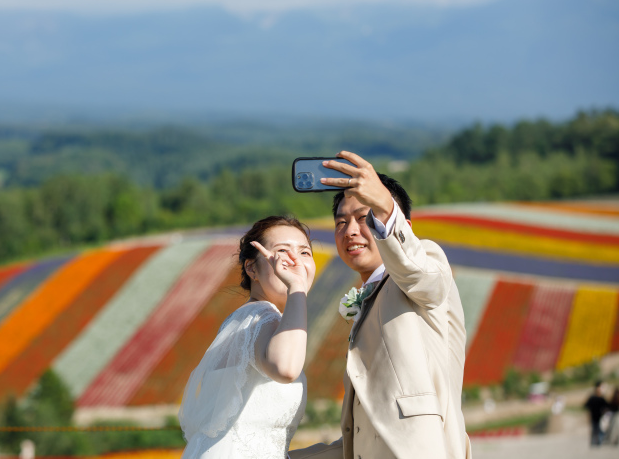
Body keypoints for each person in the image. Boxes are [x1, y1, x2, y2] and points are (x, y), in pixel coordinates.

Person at [290, 151, 471, 459]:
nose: (350, 231)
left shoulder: (424, 267)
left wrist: (385, 207)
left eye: (364, 218)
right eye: (341, 222)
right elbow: (364, 437)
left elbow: (425, 279)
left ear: (403, 226)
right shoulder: (368, 301)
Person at [179, 215, 316, 458]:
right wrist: (296, 288)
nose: (295, 261)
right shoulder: (262, 317)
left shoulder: (246, 318)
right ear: (251, 268)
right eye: (282, 251)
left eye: (304, 252)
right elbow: (286, 369)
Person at [584, 380, 610, 446]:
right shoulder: (593, 397)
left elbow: (608, 406)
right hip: (594, 417)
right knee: (595, 430)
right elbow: (586, 405)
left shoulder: (602, 398)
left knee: (601, 430)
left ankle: (599, 443)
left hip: (601, 417)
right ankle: (594, 443)